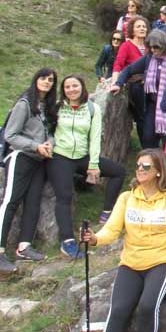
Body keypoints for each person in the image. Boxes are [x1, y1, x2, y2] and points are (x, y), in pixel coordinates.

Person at [84, 149, 166, 332]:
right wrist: (95, 239)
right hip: (131, 261)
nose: (140, 169)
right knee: (118, 309)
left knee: (148, 306)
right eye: (139, 165)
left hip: (161, 261)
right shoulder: (126, 198)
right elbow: (112, 229)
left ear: (159, 171)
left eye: (146, 167)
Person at [47, 75, 126, 258]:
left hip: (83, 156)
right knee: (64, 196)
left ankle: (106, 212)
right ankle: (67, 241)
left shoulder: (92, 108)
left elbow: (95, 137)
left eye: (75, 86)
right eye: (67, 87)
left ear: (82, 87)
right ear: (63, 90)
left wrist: (93, 164)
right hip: (60, 156)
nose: (72, 89)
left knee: (118, 171)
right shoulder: (57, 107)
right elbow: (47, 130)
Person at [0, 68, 58, 273]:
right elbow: (11, 135)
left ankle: (24, 246)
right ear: (35, 79)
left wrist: (49, 144)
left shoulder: (47, 107)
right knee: (10, 201)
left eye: (51, 80)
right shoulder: (25, 103)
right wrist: (34, 146)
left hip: (39, 160)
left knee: (33, 202)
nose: (47, 82)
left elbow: (50, 132)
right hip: (20, 157)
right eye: (43, 78)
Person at [111, 30, 166, 149]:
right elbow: (129, 69)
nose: (153, 50)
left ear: (164, 45)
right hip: (152, 105)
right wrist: (118, 84)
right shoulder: (149, 58)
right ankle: (151, 164)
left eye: (156, 47)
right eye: (150, 47)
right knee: (148, 137)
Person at [112, 15, 149, 146]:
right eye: (138, 26)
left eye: (144, 26)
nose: (142, 29)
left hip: (153, 84)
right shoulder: (126, 46)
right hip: (136, 86)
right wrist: (115, 82)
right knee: (142, 117)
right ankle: (146, 146)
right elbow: (118, 64)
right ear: (132, 30)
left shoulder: (150, 46)